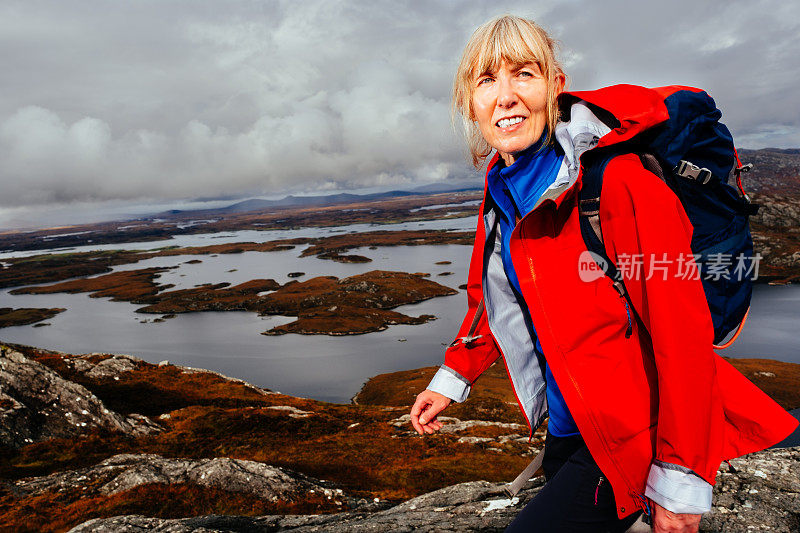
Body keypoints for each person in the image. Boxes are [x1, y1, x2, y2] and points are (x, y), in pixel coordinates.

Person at [409, 14, 798, 533]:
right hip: (569, 430)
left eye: (523, 73)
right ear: (469, 103)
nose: (505, 96)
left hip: (631, 432)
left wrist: (680, 484)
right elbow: (495, 294)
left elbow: (682, 338)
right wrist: (454, 379)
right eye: (486, 80)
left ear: (556, 86)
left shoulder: (618, 182)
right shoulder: (501, 188)